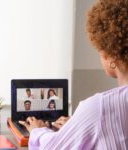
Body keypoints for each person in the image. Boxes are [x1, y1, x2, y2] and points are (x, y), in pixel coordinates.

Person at [19, 0, 128, 149]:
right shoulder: (95, 115)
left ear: (111, 56)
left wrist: (37, 130)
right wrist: (79, 124)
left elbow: (50, 147)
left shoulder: (99, 109)